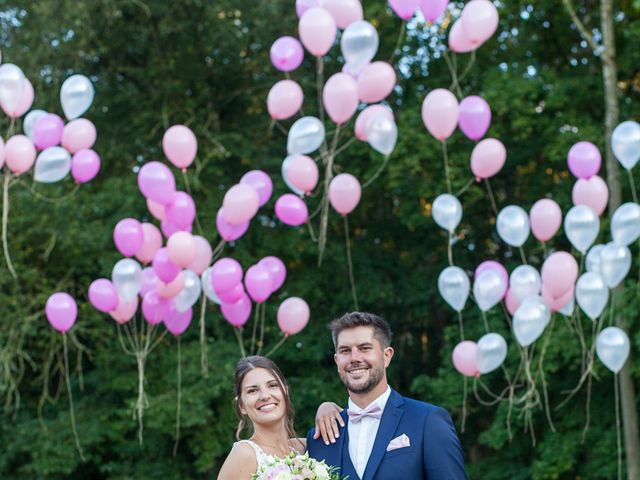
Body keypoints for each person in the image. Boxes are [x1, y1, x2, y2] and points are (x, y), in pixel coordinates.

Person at [307, 311, 467, 480]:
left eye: (365, 348)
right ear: (337, 360)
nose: (354, 358)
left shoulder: (427, 421)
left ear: (387, 356)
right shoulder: (318, 438)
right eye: (345, 351)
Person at [217, 355, 306, 480]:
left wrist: (328, 407)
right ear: (241, 405)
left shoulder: (304, 449)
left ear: (285, 392)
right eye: (252, 391)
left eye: (272, 385)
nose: (265, 396)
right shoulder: (245, 454)